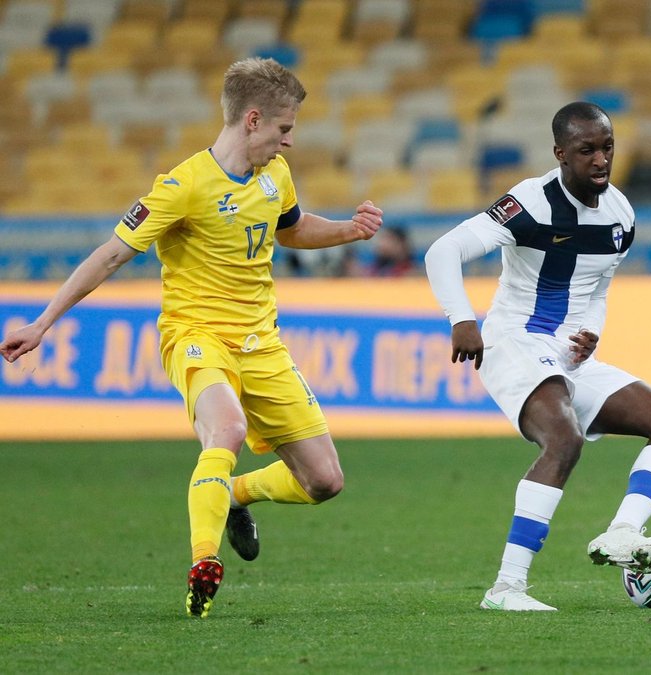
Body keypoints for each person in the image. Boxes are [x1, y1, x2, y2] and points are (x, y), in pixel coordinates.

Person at [0, 57, 384, 618]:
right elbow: (110, 254)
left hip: (263, 344)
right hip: (196, 334)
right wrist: (42, 322)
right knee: (225, 429)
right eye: (284, 129)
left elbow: (292, 227)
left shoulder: (274, 175)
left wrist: (348, 229)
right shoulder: (182, 186)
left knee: (324, 482)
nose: (290, 142)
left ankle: (231, 494)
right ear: (252, 120)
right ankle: (204, 562)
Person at [425, 101, 651, 611]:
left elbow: (598, 289)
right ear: (560, 154)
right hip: (513, 341)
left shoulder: (621, 215)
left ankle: (623, 533)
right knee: (564, 438)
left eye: (608, 147)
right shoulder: (528, 203)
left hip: (567, 356)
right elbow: (442, 250)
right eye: (587, 150)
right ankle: (506, 589)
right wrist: (461, 319)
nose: (601, 160)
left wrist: (591, 331)